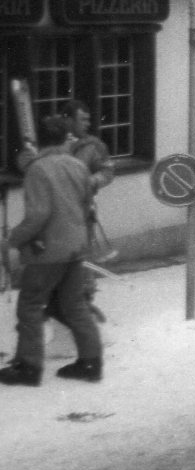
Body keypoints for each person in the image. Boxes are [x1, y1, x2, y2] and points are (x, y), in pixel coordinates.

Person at [0, 115, 104, 386]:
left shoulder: (38, 169)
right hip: (76, 246)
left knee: (31, 305)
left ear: (39, 141)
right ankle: (91, 362)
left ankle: (29, 366)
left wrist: (12, 240)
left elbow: (38, 214)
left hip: (48, 250)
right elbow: (85, 204)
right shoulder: (77, 165)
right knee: (75, 305)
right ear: (64, 138)